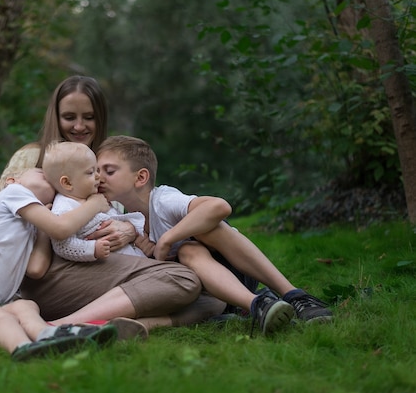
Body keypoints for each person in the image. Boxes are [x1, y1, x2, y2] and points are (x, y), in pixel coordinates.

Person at [0, 75, 224, 331]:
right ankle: (66, 326)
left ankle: (131, 323)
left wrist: (129, 230)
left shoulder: (108, 161)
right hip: (53, 271)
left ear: (100, 119)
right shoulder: (34, 157)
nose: (79, 126)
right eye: (69, 117)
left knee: (213, 299)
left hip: (104, 266)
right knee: (183, 281)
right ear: (56, 118)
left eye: (89, 117)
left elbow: (133, 214)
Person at [96, 135, 333, 335]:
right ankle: (251, 306)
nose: (99, 178)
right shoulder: (125, 218)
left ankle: (295, 296)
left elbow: (219, 206)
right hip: (203, 293)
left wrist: (167, 240)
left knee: (196, 241)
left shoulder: (162, 200)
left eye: (109, 171)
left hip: (235, 269)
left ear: (140, 178)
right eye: (96, 172)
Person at [0, 167, 119, 361]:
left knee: (26, 306)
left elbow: (36, 269)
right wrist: (94, 205)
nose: (49, 177)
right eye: (42, 173)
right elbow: (61, 228)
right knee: (1, 318)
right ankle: (25, 349)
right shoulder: (14, 193)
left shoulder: (31, 225)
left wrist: (44, 228)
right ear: (12, 180)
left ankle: (50, 337)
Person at [42, 141, 145, 261]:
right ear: (67, 183)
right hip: (112, 266)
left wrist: (134, 231)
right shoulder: (64, 207)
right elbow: (62, 245)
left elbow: (119, 218)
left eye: (97, 170)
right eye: (91, 172)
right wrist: (92, 249)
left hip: (132, 256)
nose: (98, 176)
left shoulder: (96, 196)